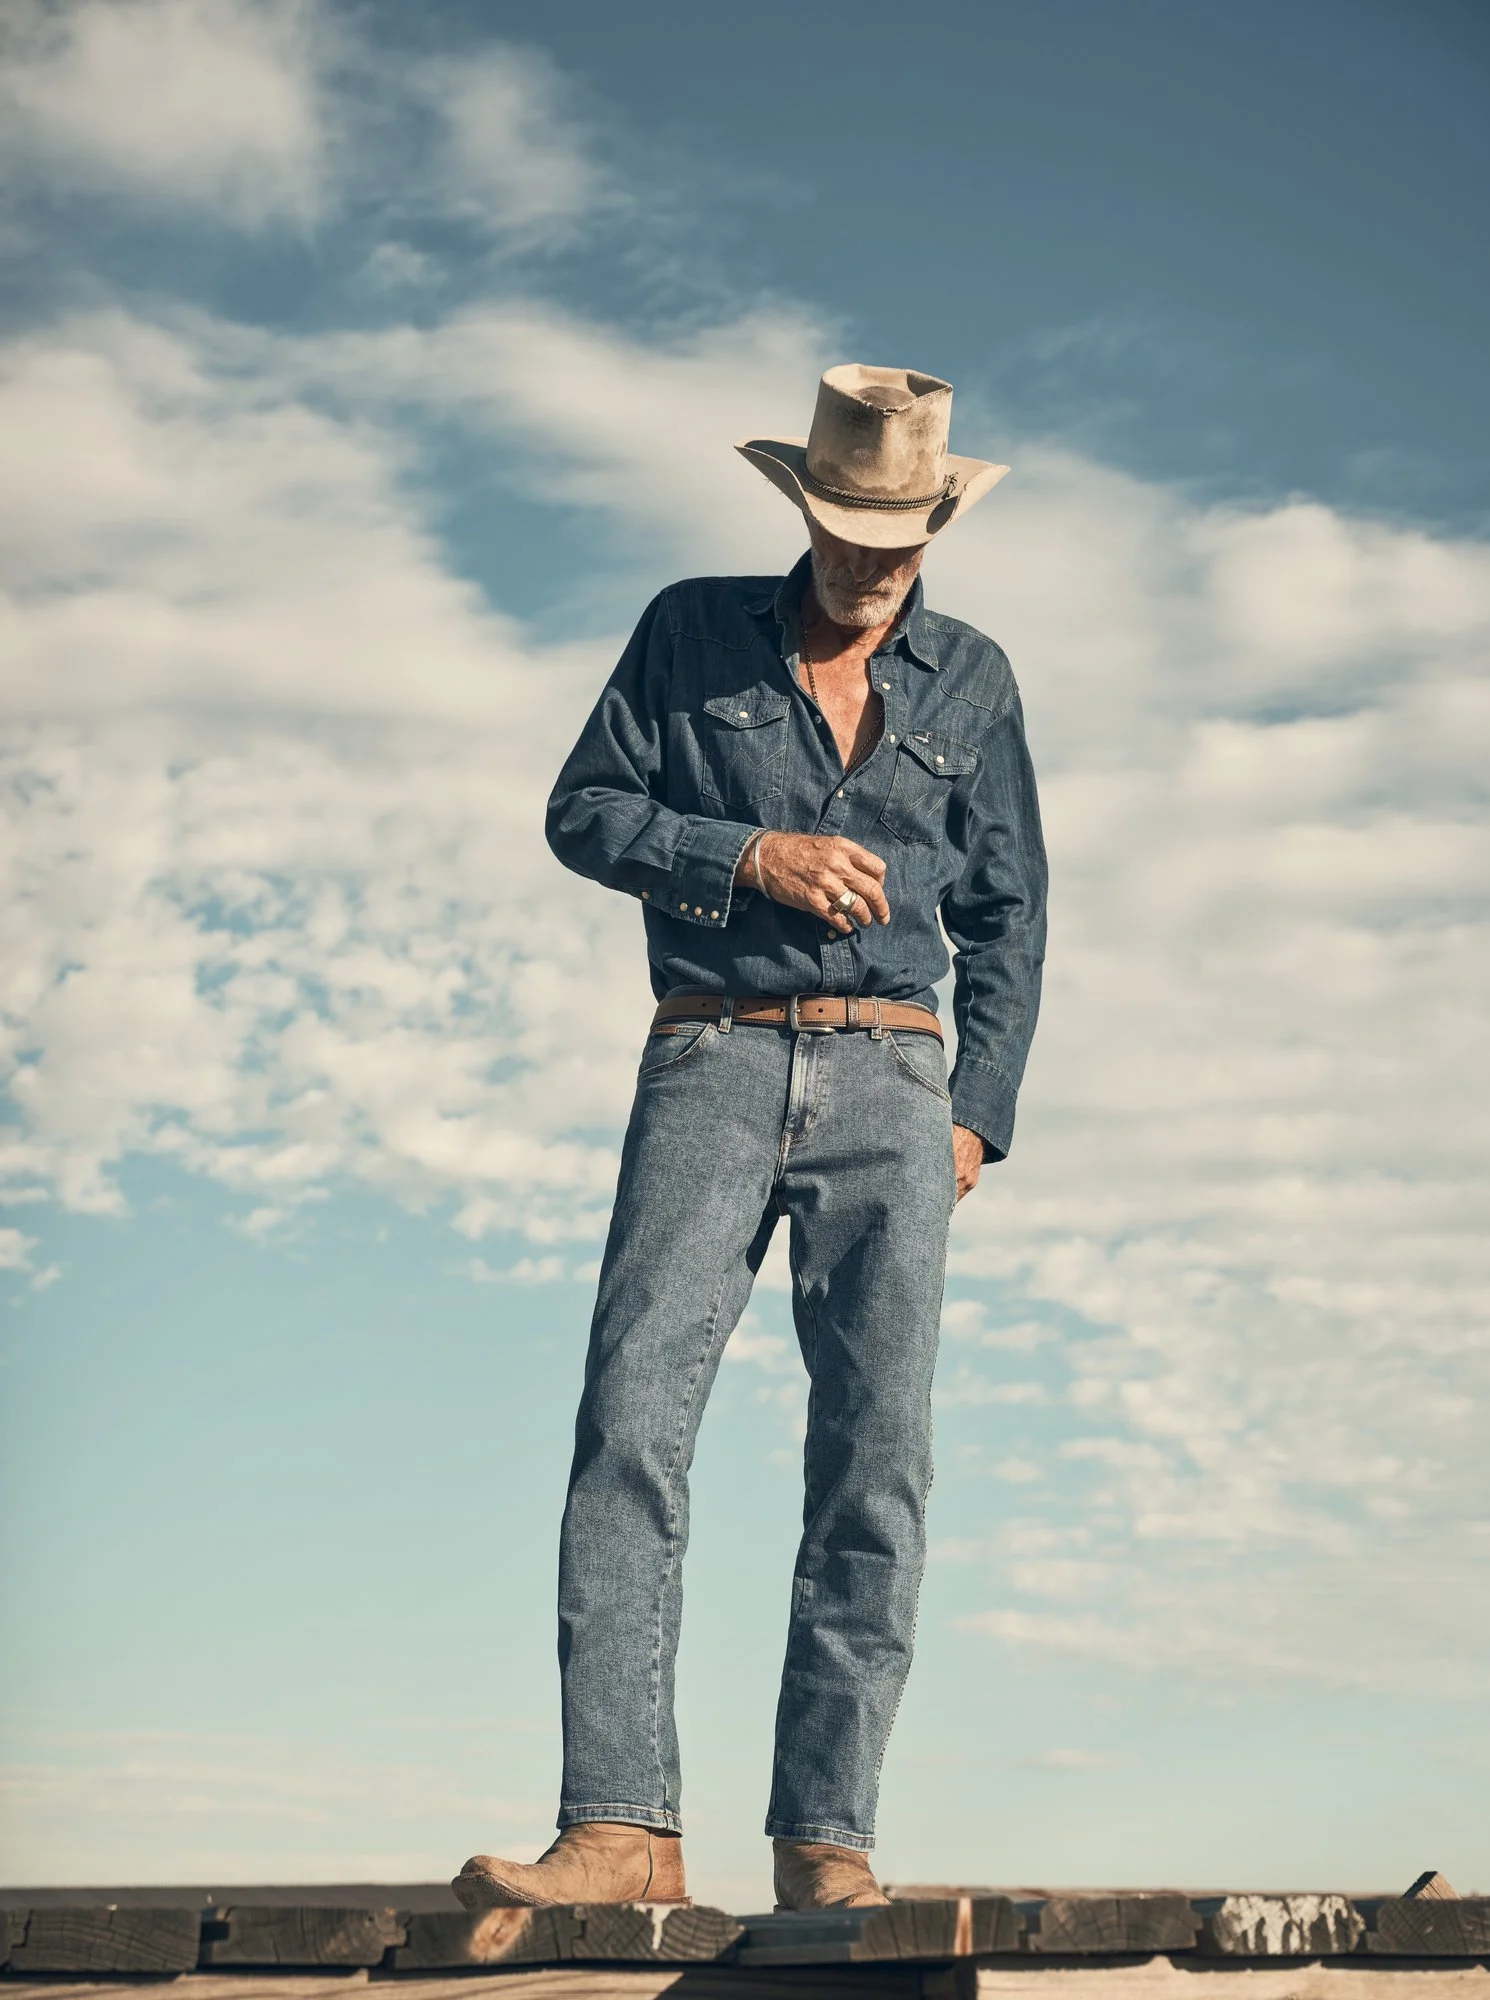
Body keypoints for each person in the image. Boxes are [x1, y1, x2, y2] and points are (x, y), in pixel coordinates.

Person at [453, 364, 1047, 1914]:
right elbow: (586, 811)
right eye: (851, 532)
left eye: (903, 540)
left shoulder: (977, 680)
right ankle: (617, 1828)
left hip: (895, 1091)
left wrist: (975, 1111)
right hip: (708, 1060)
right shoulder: (686, 631)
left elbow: (1012, 915)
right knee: (631, 1425)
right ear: (803, 508)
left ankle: (825, 1843)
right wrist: (750, 855)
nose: (875, 564)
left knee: (876, 1463)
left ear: (936, 527)